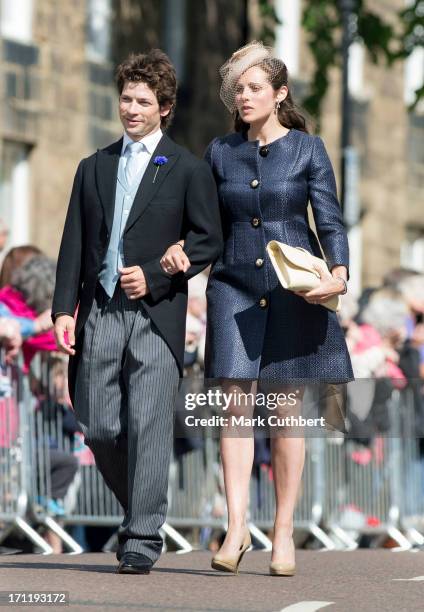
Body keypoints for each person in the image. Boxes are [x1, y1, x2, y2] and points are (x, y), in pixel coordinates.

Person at [160, 41, 353, 576]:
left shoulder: (308, 149)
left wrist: (337, 270)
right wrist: (180, 249)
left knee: (286, 412)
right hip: (232, 287)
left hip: (295, 291)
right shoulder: (220, 151)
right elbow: (204, 222)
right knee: (235, 405)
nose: (243, 97)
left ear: (280, 93)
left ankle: (284, 532)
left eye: (254, 88)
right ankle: (239, 527)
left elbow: (330, 221)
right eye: (237, 89)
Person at [52, 50, 222, 574]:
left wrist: (162, 270)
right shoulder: (94, 166)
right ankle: (142, 506)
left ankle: (143, 536)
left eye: (143, 101)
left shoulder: (188, 169)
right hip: (99, 312)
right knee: (99, 424)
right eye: (126, 98)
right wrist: (63, 309)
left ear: (164, 107)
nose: (131, 108)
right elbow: (74, 242)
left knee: (148, 424)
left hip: (155, 315)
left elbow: (208, 239)